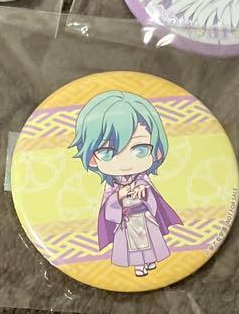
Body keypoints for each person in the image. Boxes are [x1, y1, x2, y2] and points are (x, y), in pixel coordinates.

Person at [71, 90, 182, 279]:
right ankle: (139, 266)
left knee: (150, 239)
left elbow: (155, 205)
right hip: (127, 222)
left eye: (140, 149)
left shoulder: (144, 182)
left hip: (145, 218)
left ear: (156, 152)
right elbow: (109, 212)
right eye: (107, 152)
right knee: (133, 245)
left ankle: (151, 260)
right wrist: (118, 198)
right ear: (92, 159)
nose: (125, 163)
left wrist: (145, 194)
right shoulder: (112, 189)